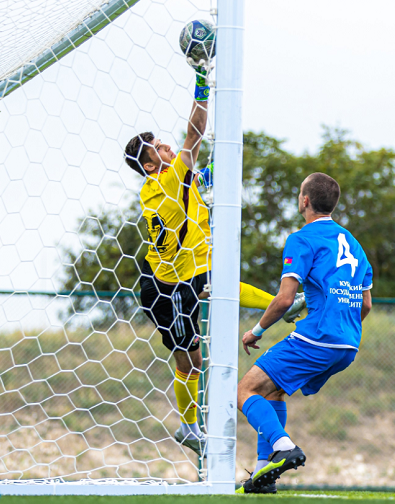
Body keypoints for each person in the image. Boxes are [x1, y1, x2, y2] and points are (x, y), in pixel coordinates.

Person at [123, 64, 305, 458]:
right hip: (166, 285)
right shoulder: (166, 181)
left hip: (190, 275)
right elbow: (194, 134)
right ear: (151, 165)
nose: (168, 145)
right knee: (190, 360)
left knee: (217, 291)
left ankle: (288, 307)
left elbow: (201, 178)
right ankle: (188, 427)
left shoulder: (173, 182)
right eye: (158, 146)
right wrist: (203, 79)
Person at [235, 173, 373, 493]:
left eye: (300, 193)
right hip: (348, 344)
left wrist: (255, 331)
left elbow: (284, 299)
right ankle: (262, 474)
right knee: (273, 392)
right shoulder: (354, 243)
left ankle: (283, 448)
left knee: (244, 391)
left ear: (305, 201)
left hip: (318, 337)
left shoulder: (302, 238)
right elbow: (365, 305)